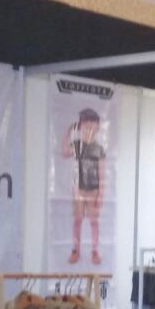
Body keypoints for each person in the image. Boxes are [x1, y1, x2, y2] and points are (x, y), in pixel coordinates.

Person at [62, 108, 105, 265]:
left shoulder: (99, 149)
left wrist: (101, 193)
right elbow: (64, 152)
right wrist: (69, 131)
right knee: (78, 220)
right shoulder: (76, 145)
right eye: (86, 126)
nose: (89, 130)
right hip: (78, 189)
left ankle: (94, 250)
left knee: (94, 221)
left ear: (97, 128)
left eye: (92, 126)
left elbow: (102, 172)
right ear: (80, 127)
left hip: (93, 190)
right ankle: (76, 250)